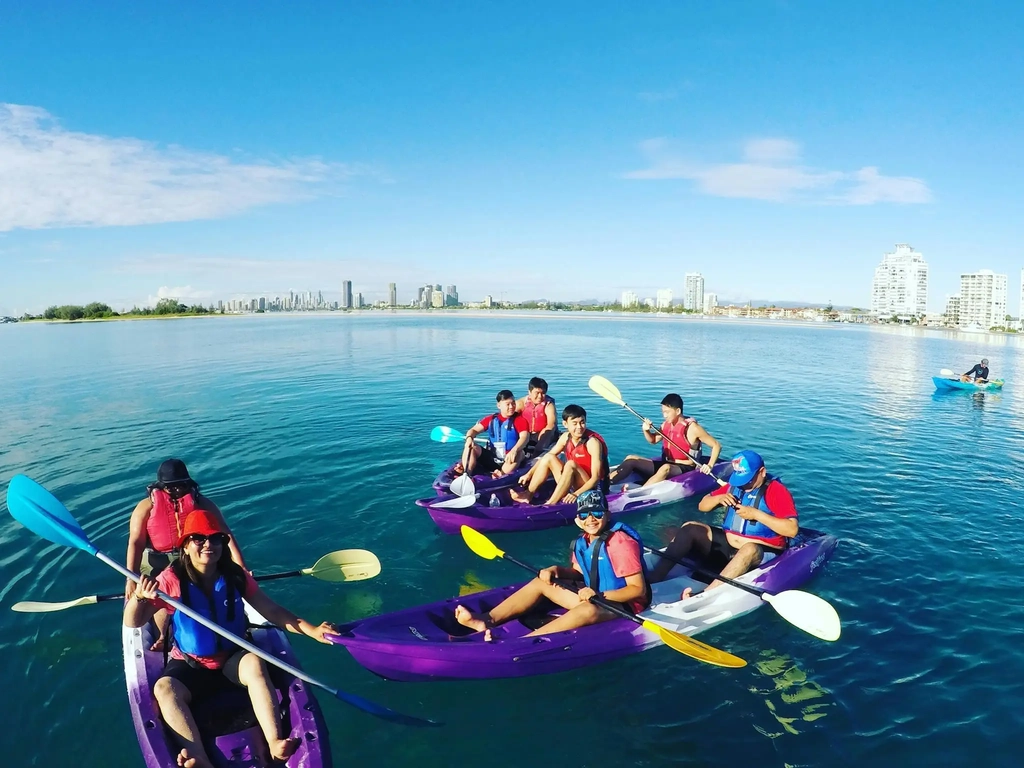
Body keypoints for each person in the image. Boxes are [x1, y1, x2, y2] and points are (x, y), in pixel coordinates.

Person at [125, 510, 336, 768]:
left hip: (232, 657)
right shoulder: (171, 580)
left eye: (215, 539)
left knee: (255, 664)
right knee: (164, 690)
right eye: (199, 539)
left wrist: (313, 631)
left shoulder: (234, 576)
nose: (208, 545)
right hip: (192, 663)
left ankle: (274, 743)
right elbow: (132, 622)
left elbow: (272, 611)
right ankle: (200, 758)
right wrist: (140, 598)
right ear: (186, 546)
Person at [454, 489, 650, 639]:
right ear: (578, 521)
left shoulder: (620, 543)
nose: (591, 519)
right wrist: (556, 570)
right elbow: (579, 573)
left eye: (597, 513)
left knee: (587, 610)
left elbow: (637, 590)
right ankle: (486, 620)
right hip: (594, 596)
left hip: (624, 606)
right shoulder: (583, 541)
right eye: (584, 515)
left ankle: (525, 641)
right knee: (542, 582)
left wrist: (599, 595)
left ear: (607, 515)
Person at [126, 459, 247, 649]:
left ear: (188, 483)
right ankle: (164, 636)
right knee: (160, 593)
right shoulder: (145, 507)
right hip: (157, 560)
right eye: (170, 487)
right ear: (160, 486)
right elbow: (136, 542)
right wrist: (131, 578)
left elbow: (226, 534)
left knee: (197, 590)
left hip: (191, 555)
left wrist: (241, 567)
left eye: (181, 485)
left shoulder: (202, 503)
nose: (176, 491)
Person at [648, 450, 799, 595]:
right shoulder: (735, 485)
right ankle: (655, 577)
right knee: (690, 528)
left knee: (749, 549)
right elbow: (702, 506)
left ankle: (705, 594)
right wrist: (718, 499)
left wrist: (756, 514)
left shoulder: (776, 491)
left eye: (748, 480)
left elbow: (792, 529)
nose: (743, 485)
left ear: (762, 472)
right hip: (728, 545)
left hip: (760, 551)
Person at [607, 394, 722, 488]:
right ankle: (605, 484)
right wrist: (646, 430)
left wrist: (710, 465)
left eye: (667, 412)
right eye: (663, 412)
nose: (664, 415)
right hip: (667, 462)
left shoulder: (693, 428)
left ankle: (638, 493)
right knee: (631, 459)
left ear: (677, 411)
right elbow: (653, 440)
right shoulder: (666, 425)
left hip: (686, 468)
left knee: (665, 468)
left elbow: (716, 445)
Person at [510, 404, 608, 505]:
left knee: (570, 464)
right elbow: (546, 457)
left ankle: (550, 504)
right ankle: (528, 494)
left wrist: (576, 494)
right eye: (574, 423)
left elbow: (595, 478)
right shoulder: (565, 437)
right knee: (548, 457)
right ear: (565, 424)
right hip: (571, 483)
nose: (579, 427)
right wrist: (529, 474)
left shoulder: (592, 443)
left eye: (582, 422)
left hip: (590, 489)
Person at [455, 390, 531, 478]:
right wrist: (469, 438)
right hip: (493, 457)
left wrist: (514, 450)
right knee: (471, 447)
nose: (511, 406)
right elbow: (473, 430)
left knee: (519, 453)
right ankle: (466, 473)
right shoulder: (491, 419)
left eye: (513, 403)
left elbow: (524, 437)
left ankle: (501, 475)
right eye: (507, 404)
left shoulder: (520, 420)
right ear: (499, 405)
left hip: (509, 459)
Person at [515, 376, 558, 456]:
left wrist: (541, 442)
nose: (540, 396)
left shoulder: (549, 405)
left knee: (548, 431)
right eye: (537, 393)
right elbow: (509, 418)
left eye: (543, 393)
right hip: (526, 434)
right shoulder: (521, 403)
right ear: (530, 392)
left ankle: (537, 455)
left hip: (543, 434)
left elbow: (551, 424)